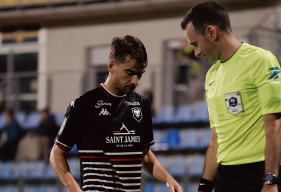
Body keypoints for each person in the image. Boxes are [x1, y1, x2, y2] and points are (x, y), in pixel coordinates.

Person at [50, 35, 183, 192]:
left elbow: (145, 156)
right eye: (129, 72)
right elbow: (56, 154)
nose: (136, 81)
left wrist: (168, 179)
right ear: (111, 66)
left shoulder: (141, 105)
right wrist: (74, 188)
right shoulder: (83, 106)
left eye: (139, 74)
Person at [181, 1, 281, 192]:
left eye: (196, 44)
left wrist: (270, 181)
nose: (196, 52)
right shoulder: (211, 75)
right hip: (224, 178)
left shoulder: (261, 60)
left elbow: (274, 125)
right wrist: (204, 186)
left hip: (257, 174)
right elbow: (215, 139)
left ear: (212, 32)